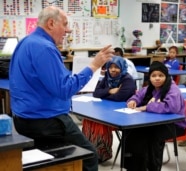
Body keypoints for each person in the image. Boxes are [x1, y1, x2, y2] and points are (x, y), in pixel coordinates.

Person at [9, 6, 114, 171]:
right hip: (47, 121)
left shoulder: (25, 42)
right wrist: (94, 65)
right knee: (90, 156)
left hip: (23, 119)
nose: (68, 30)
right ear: (51, 23)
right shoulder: (45, 47)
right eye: (65, 24)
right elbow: (64, 89)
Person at [125, 61, 186, 171]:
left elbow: (171, 107)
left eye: (160, 75)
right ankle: (136, 166)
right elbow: (137, 95)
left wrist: (147, 107)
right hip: (155, 122)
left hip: (175, 125)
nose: (157, 79)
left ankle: (153, 167)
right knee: (133, 131)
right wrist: (133, 101)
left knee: (152, 135)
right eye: (153, 76)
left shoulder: (173, 89)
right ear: (150, 77)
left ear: (166, 76)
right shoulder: (150, 87)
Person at [82, 56, 136, 163]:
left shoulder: (127, 80)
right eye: (110, 67)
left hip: (122, 115)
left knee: (99, 122)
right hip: (107, 110)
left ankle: (102, 153)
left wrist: (104, 93)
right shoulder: (107, 77)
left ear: (122, 68)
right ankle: (89, 152)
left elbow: (119, 97)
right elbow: (96, 93)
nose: (113, 70)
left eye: (116, 67)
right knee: (90, 120)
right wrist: (110, 91)